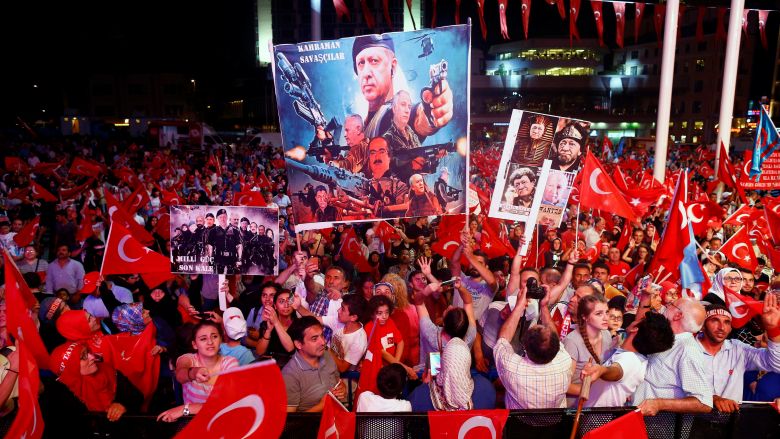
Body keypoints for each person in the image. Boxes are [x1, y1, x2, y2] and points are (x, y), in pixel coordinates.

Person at [351, 34, 453, 140]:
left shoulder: (395, 112)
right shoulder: (361, 125)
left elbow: (417, 118)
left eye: (374, 61)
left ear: (393, 67)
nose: (366, 72)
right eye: (361, 63)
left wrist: (431, 115)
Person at [493, 285, 575, 409]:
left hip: (520, 422)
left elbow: (503, 339)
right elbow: (554, 338)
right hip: (553, 422)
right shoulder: (564, 361)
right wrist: (544, 306)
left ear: (525, 347)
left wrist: (519, 305)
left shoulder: (512, 367)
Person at [633, 297, 713, 415]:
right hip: (638, 425)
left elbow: (703, 402)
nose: (666, 306)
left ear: (677, 315)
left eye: (671, 304)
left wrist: (659, 404)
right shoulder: (662, 339)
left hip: (661, 430)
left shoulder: (687, 350)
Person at [696, 300, 780, 413]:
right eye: (715, 320)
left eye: (726, 322)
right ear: (702, 325)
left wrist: (773, 329)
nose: (721, 327)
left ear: (731, 328)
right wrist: (713, 399)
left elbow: (775, 364)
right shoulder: (686, 348)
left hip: (731, 424)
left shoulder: (738, 349)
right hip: (690, 422)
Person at [583, 312, 675, 408]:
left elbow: (617, 371)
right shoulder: (636, 358)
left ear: (634, 328)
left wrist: (602, 370)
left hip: (596, 420)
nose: (634, 320)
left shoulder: (631, 359)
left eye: (639, 319)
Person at [50, 342, 142, 422]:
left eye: (88, 352)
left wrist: (122, 405)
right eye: (83, 357)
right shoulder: (61, 396)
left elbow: (137, 397)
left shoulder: (107, 370)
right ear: (70, 368)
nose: (92, 357)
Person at [282, 316, 345, 412]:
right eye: (314, 339)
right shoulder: (289, 375)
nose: (323, 342)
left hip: (336, 416)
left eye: (322, 336)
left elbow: (338, 381)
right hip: (311, 425)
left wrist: (342, 387)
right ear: (299, 344)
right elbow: (290, 421)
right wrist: (322, 406)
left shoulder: (327, 355)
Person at [562, 294, 615, 405]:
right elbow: (563, 385)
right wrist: (592, 392)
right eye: (599, 314)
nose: (606, 318)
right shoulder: (572, 342)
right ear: (584, 317)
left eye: (607, 312)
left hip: (598, 402)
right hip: (575, 405)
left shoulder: (606, 334)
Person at [175, 320, 239, 404]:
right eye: (203, 339)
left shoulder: (230, 362)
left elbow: (226, 404)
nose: (210, 342)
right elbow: (180, 375)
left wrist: (187, 409)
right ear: (194, 344)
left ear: (220, 340)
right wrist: (194, 373)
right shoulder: (188, 359)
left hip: (218, 415)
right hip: (191, 417)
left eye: (214, 336)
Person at [366, 137, 409, 215]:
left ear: (390, 156)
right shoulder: (363, 184)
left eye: (382, 152)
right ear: (369, 158)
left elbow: (401, 213)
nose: (377, 157)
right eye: (372, 153)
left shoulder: (400, 187)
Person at [256, 289, 297, 368]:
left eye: (289, 301)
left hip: (292, 367)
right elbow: (259, 352)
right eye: (282, 301)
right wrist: (268, 331)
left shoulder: (299, 324)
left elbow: (290, 349)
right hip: (270, 366)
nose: (286, 305)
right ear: (275, 305)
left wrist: (276, 322)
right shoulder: (266, 324)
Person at [206, 208, 243, 275]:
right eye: (220, 217)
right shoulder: (213, 231)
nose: (222, 219)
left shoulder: (235, 231)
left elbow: (239, 245)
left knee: (231, 278)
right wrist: (210, 258)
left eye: (224, 217)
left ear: (227, 217)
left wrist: (239, 259)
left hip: (232, 260)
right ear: (217, 218)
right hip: (218, 260)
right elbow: (210, 246)